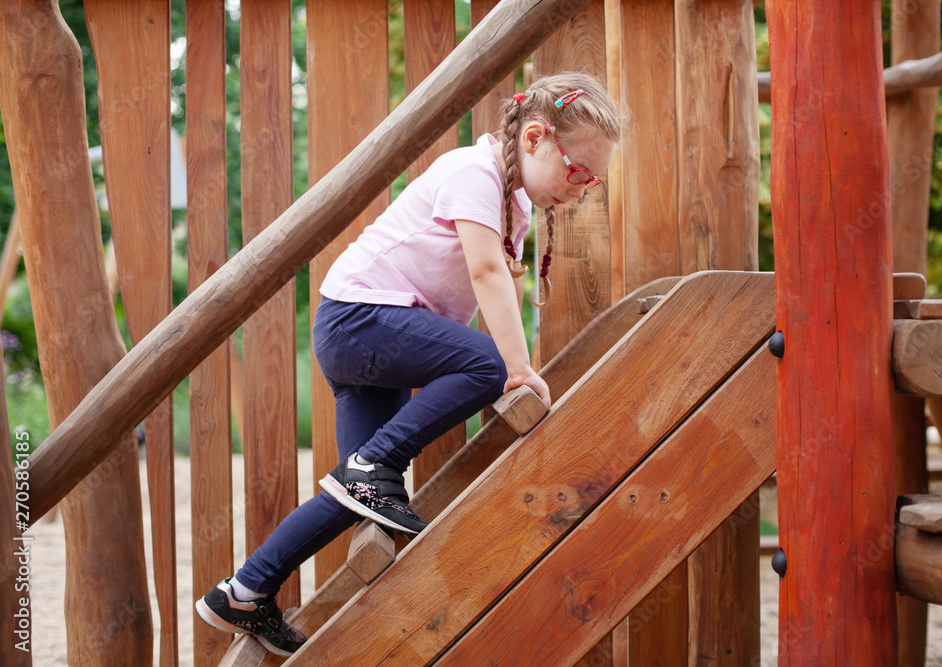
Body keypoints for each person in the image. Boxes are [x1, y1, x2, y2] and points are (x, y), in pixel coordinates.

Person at [195, 71, 622, 656]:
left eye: (592, 182)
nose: (580, 189)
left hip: (372, 336)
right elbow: (485, 275)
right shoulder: (472, 173)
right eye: (577, 171)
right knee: (485, 367)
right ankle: (375, 467)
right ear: (534, 139)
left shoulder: (512, 198)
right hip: (359, 319)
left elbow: (478, 297)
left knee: (354, 491)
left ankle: (245, 590)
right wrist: (515, 369)